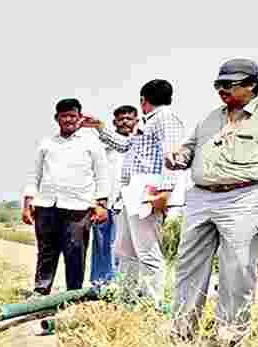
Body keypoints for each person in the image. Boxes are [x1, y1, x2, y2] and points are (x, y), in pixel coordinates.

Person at [166, 59, 258, 347]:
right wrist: (179, 156)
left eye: (229, 84)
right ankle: (181, 330)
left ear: (251, 84)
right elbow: (190, 148)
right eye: (218, 84)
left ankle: (229, 333)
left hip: (247, 196)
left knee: (237, 267)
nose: (222, 89)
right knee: (189, 264)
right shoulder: (210, 118)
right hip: (201, 196)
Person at [91, 80, 187, 305]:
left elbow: (171, 155)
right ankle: (126, 299)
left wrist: (164, 191)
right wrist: (100, 127)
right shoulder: (148, 122)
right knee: (124, 249)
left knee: (147, 251)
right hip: (131, 192)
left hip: (148, 191)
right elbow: (125, 146)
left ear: (144, 100)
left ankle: (152, 304)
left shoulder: (166, 118)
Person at [23, 98, 111, 295]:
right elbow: (34, 174)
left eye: (73, 115)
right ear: (57, 118)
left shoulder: (92, 144)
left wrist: (102, 204)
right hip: (47, 204)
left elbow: (102, 175)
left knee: (75, 251)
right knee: (46, 250)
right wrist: (28, 201)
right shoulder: (46, 143)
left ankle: (73, 294)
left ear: (80, 118)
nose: (69, 120)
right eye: (64, 116)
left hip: (79, 207)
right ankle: (41, 291)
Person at [88, 105, 137, 287]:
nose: (125, 122)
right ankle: (100, 284)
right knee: (102, 242)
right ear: (114, 122)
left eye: (129, 118)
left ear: (136, 121)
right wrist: (96, 201)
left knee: (125, 246)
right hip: (105, 201)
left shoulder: (140, 143)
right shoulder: (102, 146)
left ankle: (122, 284)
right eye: (121, 119)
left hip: (130, 203)